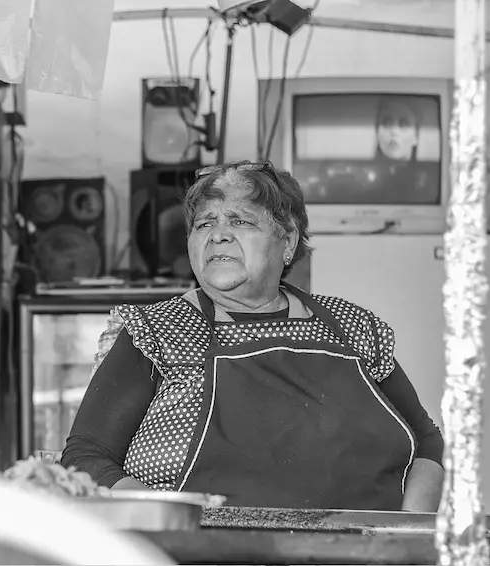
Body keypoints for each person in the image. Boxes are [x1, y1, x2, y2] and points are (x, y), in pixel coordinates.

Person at [62, 160, 444, 512]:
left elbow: (426, 442)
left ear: (288, 240)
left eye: (241, 221)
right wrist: (171, 522)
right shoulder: (159, 331)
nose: (218, 236)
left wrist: (406, 537)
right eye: (204, 223)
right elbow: (87, 457)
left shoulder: (352, 327)